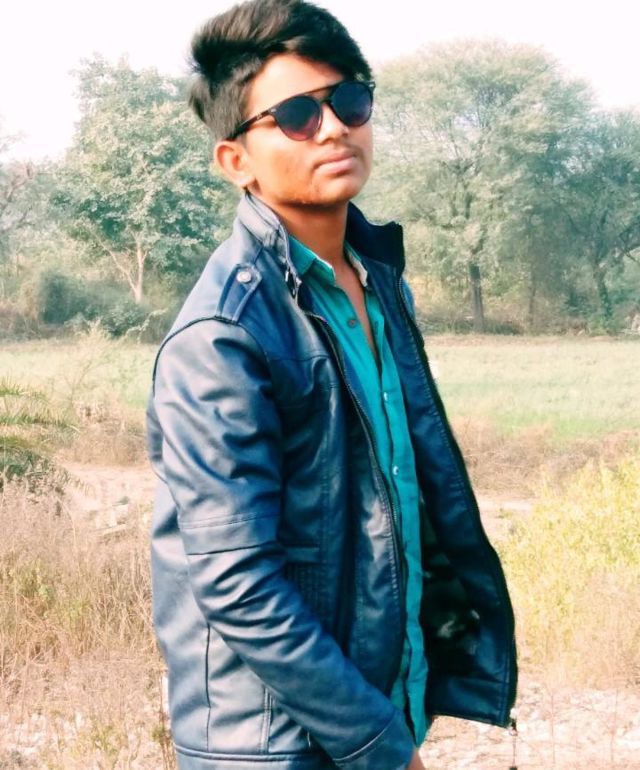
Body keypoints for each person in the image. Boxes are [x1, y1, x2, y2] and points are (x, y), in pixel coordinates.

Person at [146, 1, 518, 769]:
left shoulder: (379, 284)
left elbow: (397, 501)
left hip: (370, 705)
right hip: (273, 745)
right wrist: (379, 745)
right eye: (295, 115)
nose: (334, 129)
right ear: (236, 161)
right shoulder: (224, 333)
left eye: (348, 100)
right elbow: (238, 583)